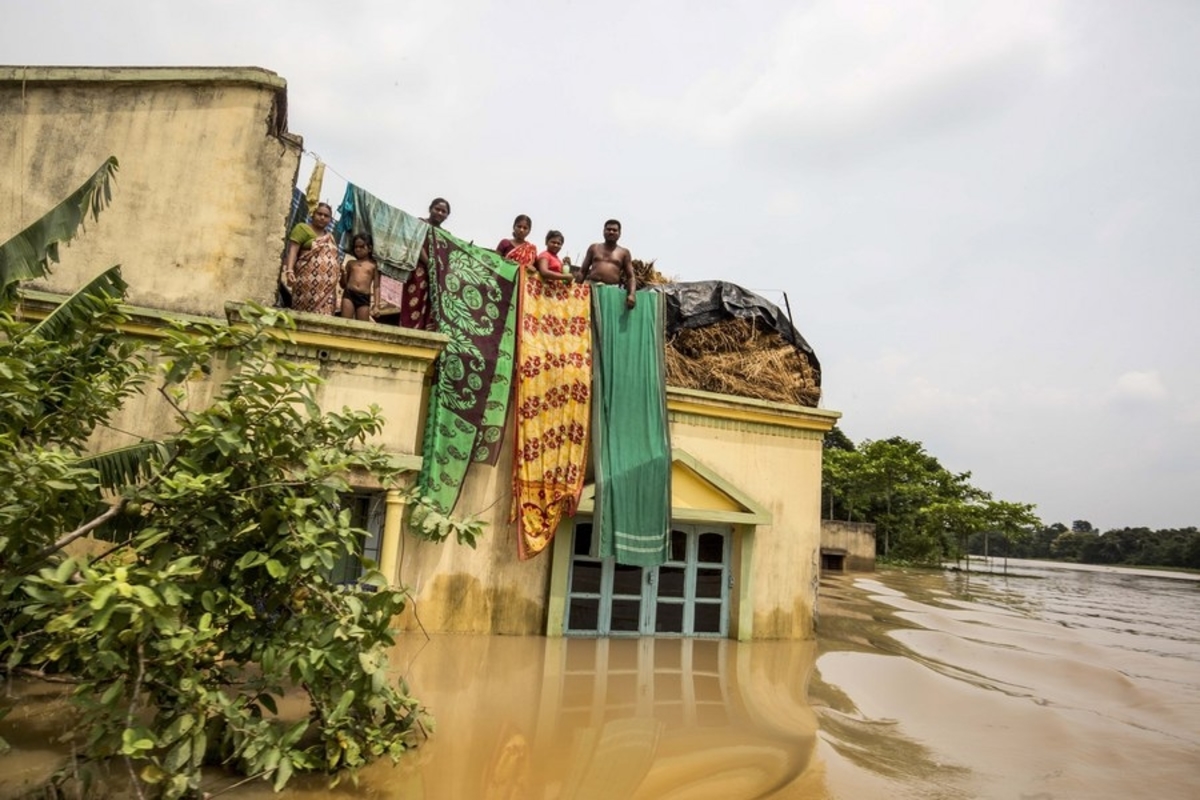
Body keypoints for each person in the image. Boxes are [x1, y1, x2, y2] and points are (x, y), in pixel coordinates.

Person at [399, 198, 451, 329]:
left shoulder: (446, 235)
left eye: (443, 211)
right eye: (437, 209)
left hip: (437, 276)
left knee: (432, 305)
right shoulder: (420, 223)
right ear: (430, 209)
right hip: (418, 270)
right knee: (413, 302)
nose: (440, 213)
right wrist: (429, 264)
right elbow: (417, 244)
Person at [281, 202, 341, 315]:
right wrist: (289, 270)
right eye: (319, 214)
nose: (322, 217)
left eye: (326, 216)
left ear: (330, 219)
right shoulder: (302, 228)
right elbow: (293, 251)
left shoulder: (330, 237)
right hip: (305, 282)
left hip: (327, 290)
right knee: (302, 315)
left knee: (325, 317)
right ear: (313, 214)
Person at [579, 218, 636, 308]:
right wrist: (575, 288)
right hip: (591, 288)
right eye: (608, 229)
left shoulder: (624, 252)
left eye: (614, 230)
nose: (611, 232)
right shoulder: (594, 248)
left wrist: (632, 295)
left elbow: (630, 276)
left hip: (612, 292)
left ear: (619, 234)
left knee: (607, 319)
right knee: (589, 318)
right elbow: (583, 271)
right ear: (603, 231)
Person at [340, 233, 379, 321]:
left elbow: (376, 286)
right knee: (344, 323)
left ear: (369, 248)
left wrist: (376, 305)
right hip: (349, 294)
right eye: (356, 247)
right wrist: (343, 274)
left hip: (364, 297)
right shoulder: (350, 263)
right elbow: (343, 285)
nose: (358, 249)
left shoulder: (373, 265)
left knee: (362, 326)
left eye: (361, 247)